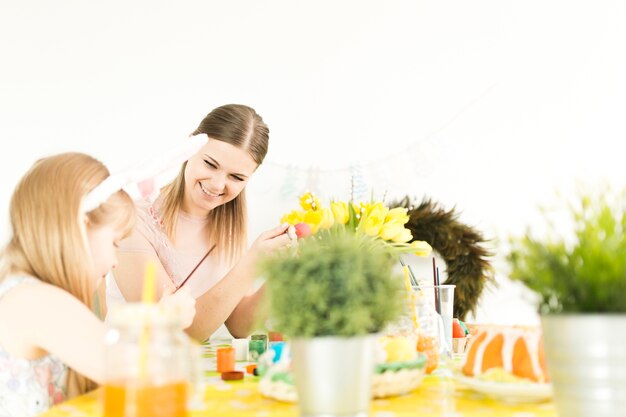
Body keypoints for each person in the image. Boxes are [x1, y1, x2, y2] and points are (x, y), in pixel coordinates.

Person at [0, 153, 196, 416]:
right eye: (115, 242)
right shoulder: (33, 300)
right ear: (80, 228)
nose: (115, 261)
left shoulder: (31, 294)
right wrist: (163, 320)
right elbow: (133, 372)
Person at [109, 104, 294, 341]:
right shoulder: (132, 221)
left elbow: (239, 324)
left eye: (236, 177)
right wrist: (252, 261)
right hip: (130, 369)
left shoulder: (227, 229)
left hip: (189, 371)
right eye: (210, 164)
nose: (217, 185)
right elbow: (180, 333)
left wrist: (284, 271)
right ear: (189, 148)